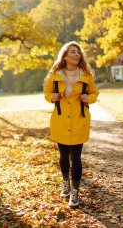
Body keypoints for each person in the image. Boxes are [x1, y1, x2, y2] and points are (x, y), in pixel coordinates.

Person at [43, 41, 99, 208]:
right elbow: (47, 92)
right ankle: (65, 183)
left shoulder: (86, 75)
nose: (77, 54)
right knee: (63, 156)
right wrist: (51, 97)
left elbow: (94, 93)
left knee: (76, 157)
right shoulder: (55, 74)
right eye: (73, 52)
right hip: (60, 120)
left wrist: (89, 98)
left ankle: (75, 192)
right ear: (65, 56)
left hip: (79, 120)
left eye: (78, 52)